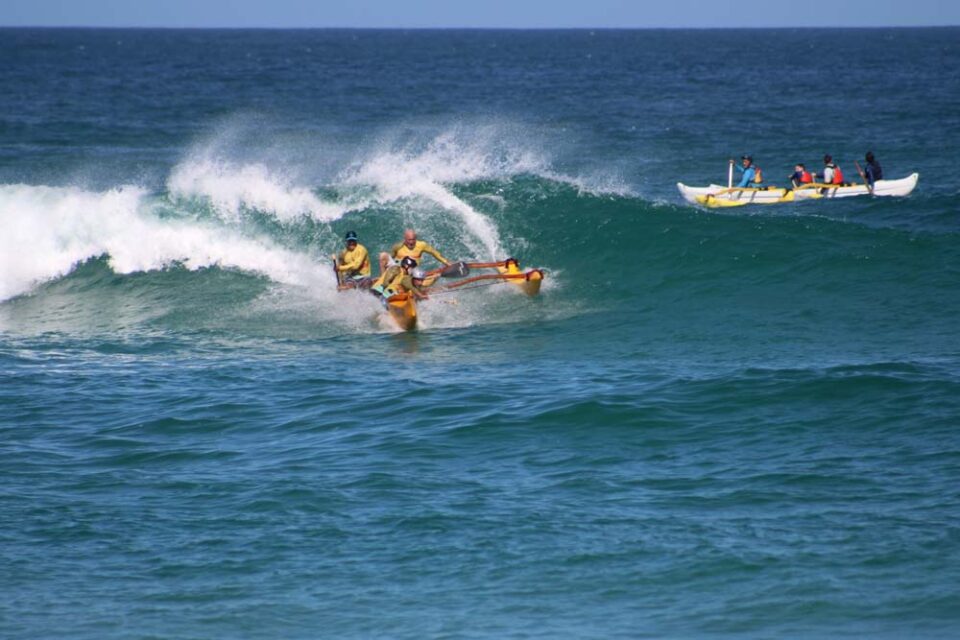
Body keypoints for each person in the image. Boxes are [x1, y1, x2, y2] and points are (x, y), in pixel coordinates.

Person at [378, 229, 450, 275]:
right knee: (383, 255)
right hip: (398, 269)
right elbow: (391, 259)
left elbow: (435, 253)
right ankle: (382, 279)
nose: (411, 242)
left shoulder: (422, 245)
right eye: (409, 240)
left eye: (413, 239)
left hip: (411, 271)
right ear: (405, 239)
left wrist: (446, 262)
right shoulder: (398, 246)